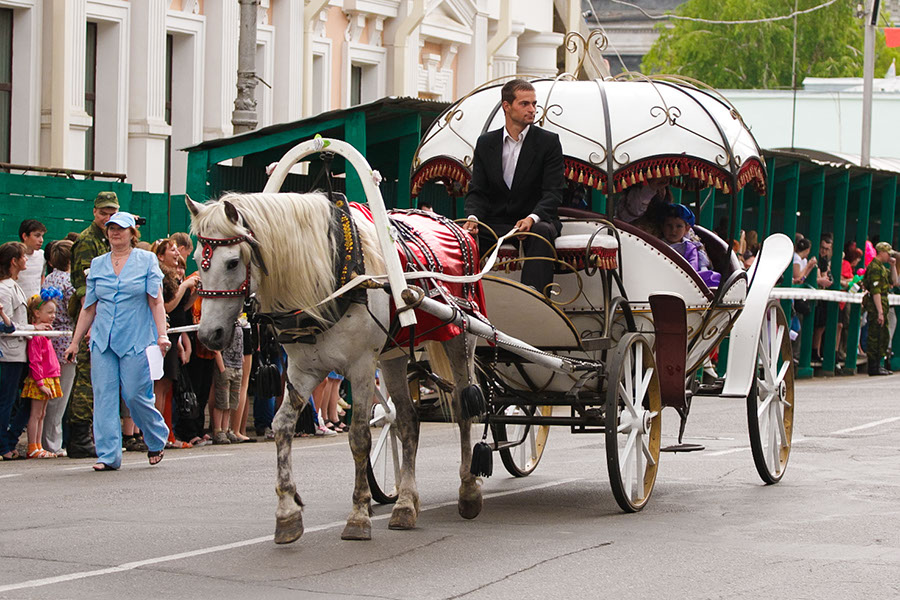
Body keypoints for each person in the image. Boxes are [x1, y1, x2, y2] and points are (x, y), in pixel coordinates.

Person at [63, 212, 170, 471]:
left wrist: (162, 335)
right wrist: (75, 342)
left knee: (134, 395)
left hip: (136, 338)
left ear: (132, 233)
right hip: (103, 340)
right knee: (103, 396)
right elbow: (89, 307)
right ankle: (108, 455)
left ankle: (156, 436)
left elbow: (156, 301)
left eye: (121, 228)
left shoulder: (146, 260)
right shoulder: (98, 264)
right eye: (111, 228)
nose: (115, 232)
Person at [463, 78, 564, 296]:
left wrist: (532, 217)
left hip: (536, 221)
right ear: (506, 106)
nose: (532, 109)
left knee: (540, 232)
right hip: (497, 221)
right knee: (464, 237)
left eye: (534, 104)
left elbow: (554, 192)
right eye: (525, 104)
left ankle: (533, 298)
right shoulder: (486, 143)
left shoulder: (548, 142)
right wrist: (472, 218)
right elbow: (478, 190)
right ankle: (466, 298)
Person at [65, 191, 120, 458]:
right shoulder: (87, 241)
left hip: (110, 317)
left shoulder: (114, 239)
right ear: (94, 212)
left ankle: (92, 435)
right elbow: (83, 288)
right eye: (103, 213)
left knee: (103, 378)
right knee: (87, 376)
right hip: (92, 317)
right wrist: (90, 324)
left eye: (112, 213)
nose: (107, 218)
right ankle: (78, 437)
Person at [0, 242, 48, 461]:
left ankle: (9, 441)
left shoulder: (13, 285)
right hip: (9, 354)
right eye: (23, 257)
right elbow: (7, 324)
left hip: (21, 352)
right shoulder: (4, 288)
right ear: (14, 261)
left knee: (26, 400)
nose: (26, 260)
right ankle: (4, 445)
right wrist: (33, 328)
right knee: (7, 401)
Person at [41, 240, 75, 456]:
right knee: (60, 395)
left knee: (50, 395)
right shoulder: (69, 282)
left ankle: (47, 440)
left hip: (49, 341)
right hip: (65, 341)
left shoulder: (48, 280)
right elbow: (75, 309)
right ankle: (52, 443)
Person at [23, 288, 64, 459]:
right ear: (37, 313)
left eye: (54, 312)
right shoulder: (37, 334)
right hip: (41, 378)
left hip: (49, 376)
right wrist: (39, 382)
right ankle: (33, 446)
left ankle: (38, 445)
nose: (53, 316)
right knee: (36, 413)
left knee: (43, 414)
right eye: (49, 312)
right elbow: (35, 360)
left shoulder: (45, 332)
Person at [660, 204, 720, 287]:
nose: (673, 230)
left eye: (679, 226)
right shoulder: (657, 243)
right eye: (669, 225)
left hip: (684, 281)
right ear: (662, 226)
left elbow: (692, 268)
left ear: (687, 229)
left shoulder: (689, 247)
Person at [861, 241, 898, 376]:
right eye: (888, 254)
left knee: (882, 336)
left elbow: (894, 281)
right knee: (874, 336)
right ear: (881, 252)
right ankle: (873, 367)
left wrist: (893, 266)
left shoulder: (882, 267)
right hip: (876, 306)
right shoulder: (875, 267)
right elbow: (875, 291)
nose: (889, 256)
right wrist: (880, 312)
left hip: (882, 303)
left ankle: (879, 365)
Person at [212, 322, 243, 444]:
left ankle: (226, 428)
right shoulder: (223, 324)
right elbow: (216, 348)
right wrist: (222, 369)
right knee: (222, 401)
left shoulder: (239, 324)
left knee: (231, 401)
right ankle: (218, 430)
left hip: (237, 365)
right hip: (226, 365)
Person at [811, 234, 835, 361]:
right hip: (812, 295)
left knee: (821, 325)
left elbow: (824, 277)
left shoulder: (824, 261)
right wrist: (821, 280)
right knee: (812, 324)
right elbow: (817, 278)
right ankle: (811, 351)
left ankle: (817, 351)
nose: (824, 251)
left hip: (821, 295)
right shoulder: (814, 257)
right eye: (822, 248)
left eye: (827, 249)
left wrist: (824, 280)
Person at [17, 219, 47, 299]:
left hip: (35, 305)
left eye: (42, 236)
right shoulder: (14, 256)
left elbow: (42, 276)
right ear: (25, 236)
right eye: (37, 236)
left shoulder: (42, 255)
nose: (41, 240)